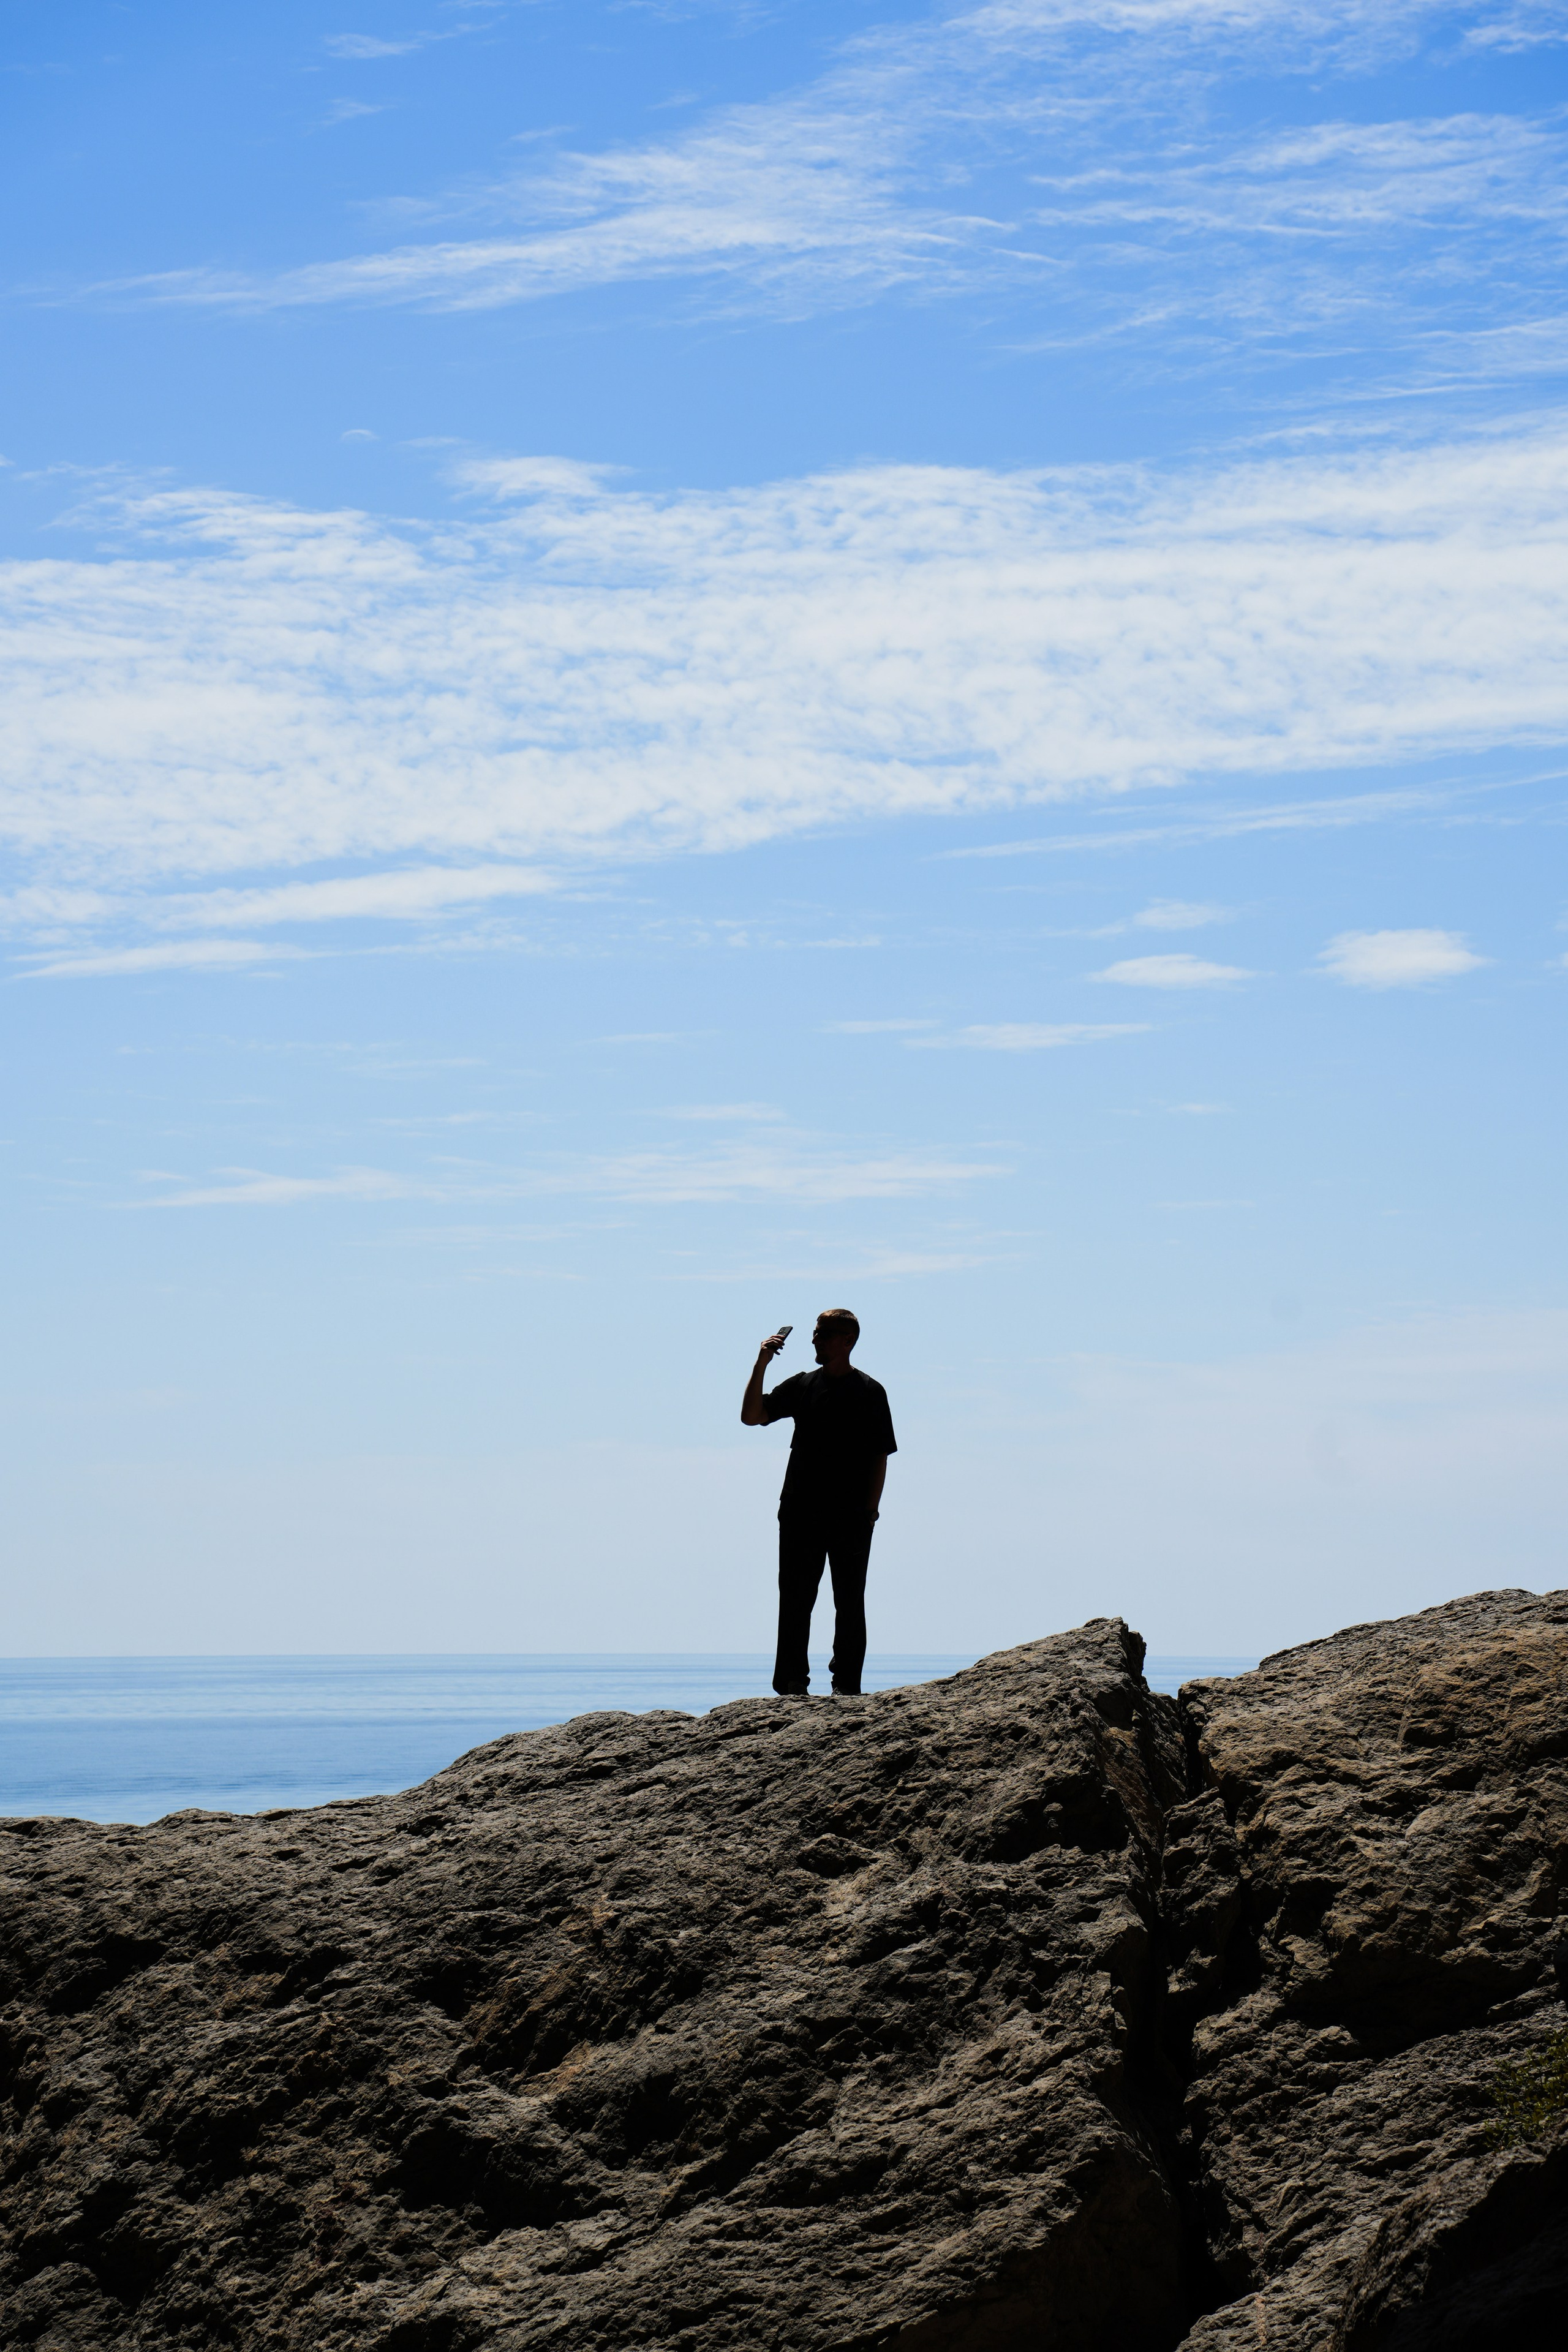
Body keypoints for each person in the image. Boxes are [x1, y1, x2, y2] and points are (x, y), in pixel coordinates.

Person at [741, 1309, 896, 1698]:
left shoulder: (870, 1391)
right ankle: (792, 1683)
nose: (816, 1340)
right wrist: (761, 1363)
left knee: (848, 1599)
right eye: (815, 1333)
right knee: (794, 1598)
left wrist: (870, 1511)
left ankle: (846, 1684)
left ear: (848, 1341)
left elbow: (881, 1454)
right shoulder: (803, 1385)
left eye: (825, 1334)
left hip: (850, 1514)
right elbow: (752, 1416)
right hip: (800, 1510)